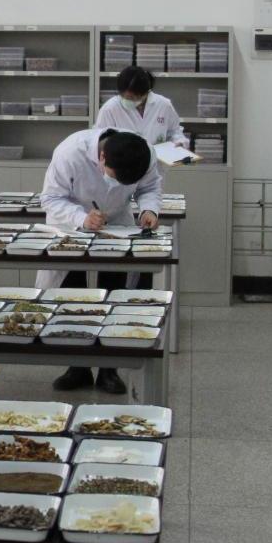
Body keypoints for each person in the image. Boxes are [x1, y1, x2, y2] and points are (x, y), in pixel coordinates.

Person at [39, 128, 163, 395]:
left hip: (117, 226)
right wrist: (82, 218)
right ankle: (77, 366)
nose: (115, 185)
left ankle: (109, 369)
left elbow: (150, 187)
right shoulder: (70, 153)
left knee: (114, 293)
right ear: (102, 157)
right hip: (71, 227)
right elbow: (50, 198)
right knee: (73, 297)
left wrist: (149, 209)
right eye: (114, 177)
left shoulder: (144, 153)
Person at [96, 66, 188, 147]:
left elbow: (174, 132)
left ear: (146, 92)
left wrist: (179, 142)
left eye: (133, 98)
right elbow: (98, 138)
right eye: (125, 97)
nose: (128, 101)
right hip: (122, 160)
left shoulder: (163, 104)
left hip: (157, 159)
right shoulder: (110, 108)